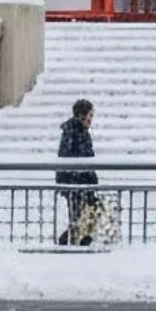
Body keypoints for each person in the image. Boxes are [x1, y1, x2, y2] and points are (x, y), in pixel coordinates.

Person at [55, 98, 99, 246]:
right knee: (79, 215)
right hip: (75, 182)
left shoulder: (79, 131)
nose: (90, 120)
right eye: (89, 116)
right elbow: (69, 156)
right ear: (81, 115)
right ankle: (70, 241)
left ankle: (81, 239)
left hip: (81, 181)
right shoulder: (74, 131)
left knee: (85, 214)